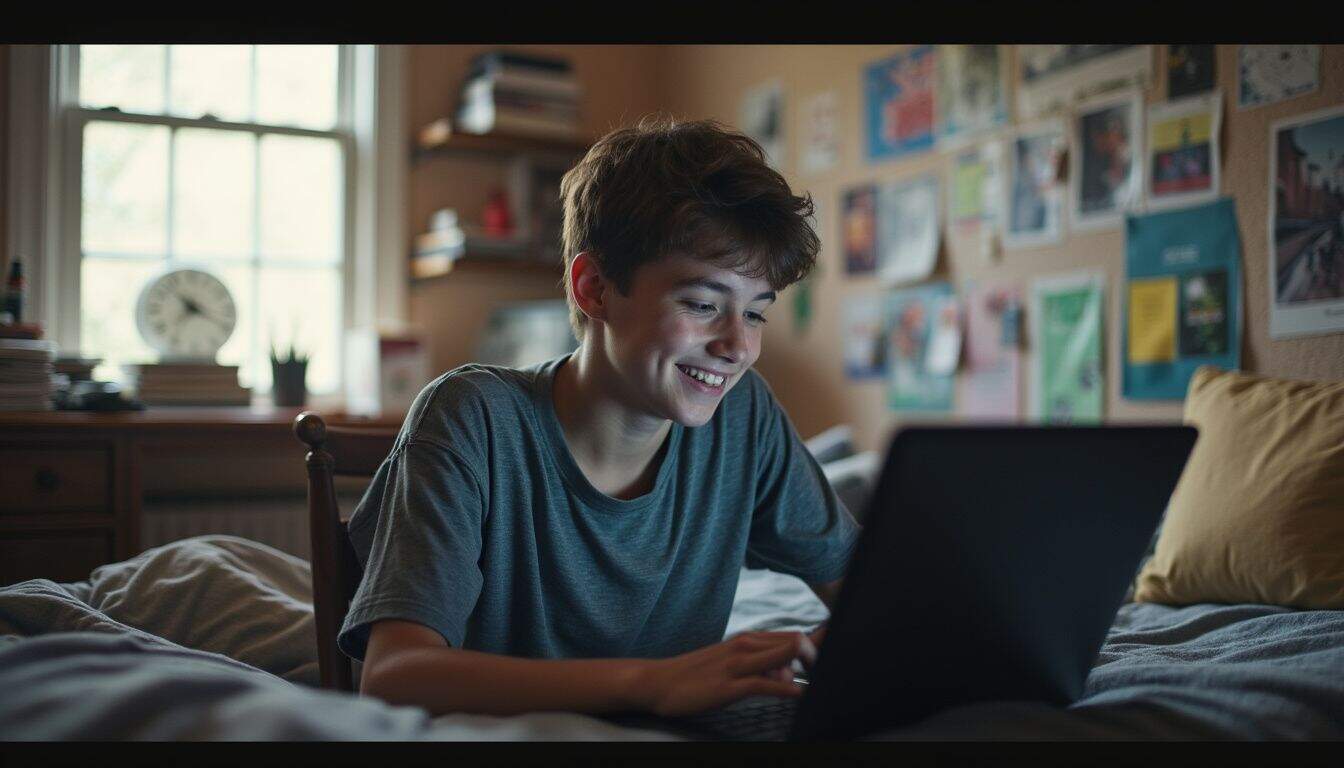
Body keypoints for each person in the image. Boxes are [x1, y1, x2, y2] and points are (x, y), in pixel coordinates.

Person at [338, 117, 861, 718]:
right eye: (702, 304)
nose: (738, 347)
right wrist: (652, 684)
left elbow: (866, 591)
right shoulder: (472, 419)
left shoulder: (743, 416)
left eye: (756, 314)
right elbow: (393, 677)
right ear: (594, 289)